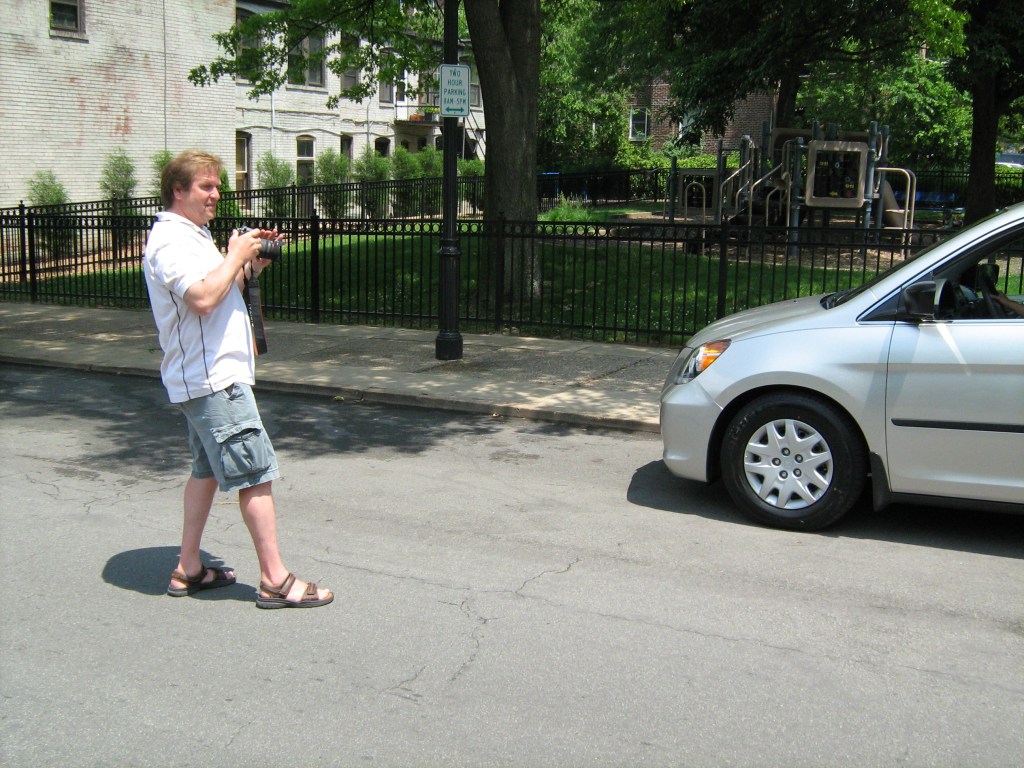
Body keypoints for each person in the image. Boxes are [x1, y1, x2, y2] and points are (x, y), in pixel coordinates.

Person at [143, 149, 332, 609]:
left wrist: (249, 266)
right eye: (206, 186)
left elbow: (222, 287)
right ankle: (276, 580)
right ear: (179, 191)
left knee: (205, 471)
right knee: (257, 474)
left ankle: (188, 567)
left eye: (217, 185)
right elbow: (204, 298)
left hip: (206, 378)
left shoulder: (194, 236)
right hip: (213, 382)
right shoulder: (170, 242)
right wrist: (234, 253)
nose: (216, 193)